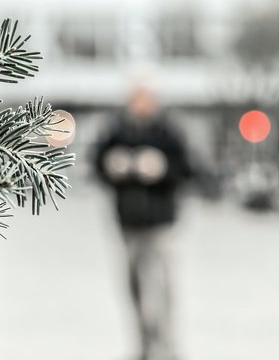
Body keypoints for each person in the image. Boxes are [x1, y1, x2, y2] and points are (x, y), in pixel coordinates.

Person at [94, 86, 190, 360]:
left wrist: (161, 167)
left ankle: (166, 345)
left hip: (160, 224)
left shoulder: (167, 132)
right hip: (128, 224)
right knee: (134, 285)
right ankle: (144, 345)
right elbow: (98, 164)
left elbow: (187, 169)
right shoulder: (117, 131)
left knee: (160, 285)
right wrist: (112, 165)